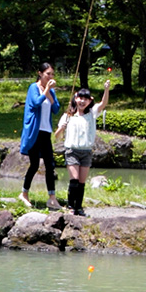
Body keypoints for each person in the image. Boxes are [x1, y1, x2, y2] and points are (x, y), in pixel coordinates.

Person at [55, 80, 110, 216]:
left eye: (85, 99)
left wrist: (106, 89)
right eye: (80, 98)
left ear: (90, 101)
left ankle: (78, 207)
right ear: (75, 98)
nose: (82, 101)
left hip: (86, 152)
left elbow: (103, 103)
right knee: (74, 179)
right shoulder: (68, 115)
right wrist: (62, 128)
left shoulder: (92, 113)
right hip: (72, 151)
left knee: (81, 182)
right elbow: (57, 136)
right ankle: (70, 206)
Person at [19, 63, 62, 210]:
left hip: (46, 131)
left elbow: (56, 109)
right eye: (47, 74)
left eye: (52, 74)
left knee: (50, 165)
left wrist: (50, 93)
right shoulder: (33, 88)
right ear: (40, 73)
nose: (50, 77)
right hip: (34, 132)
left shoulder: (51, 91)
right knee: (35, 164)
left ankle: (52, 198)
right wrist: (47, 90)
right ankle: (24, 194)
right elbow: (36, 103)